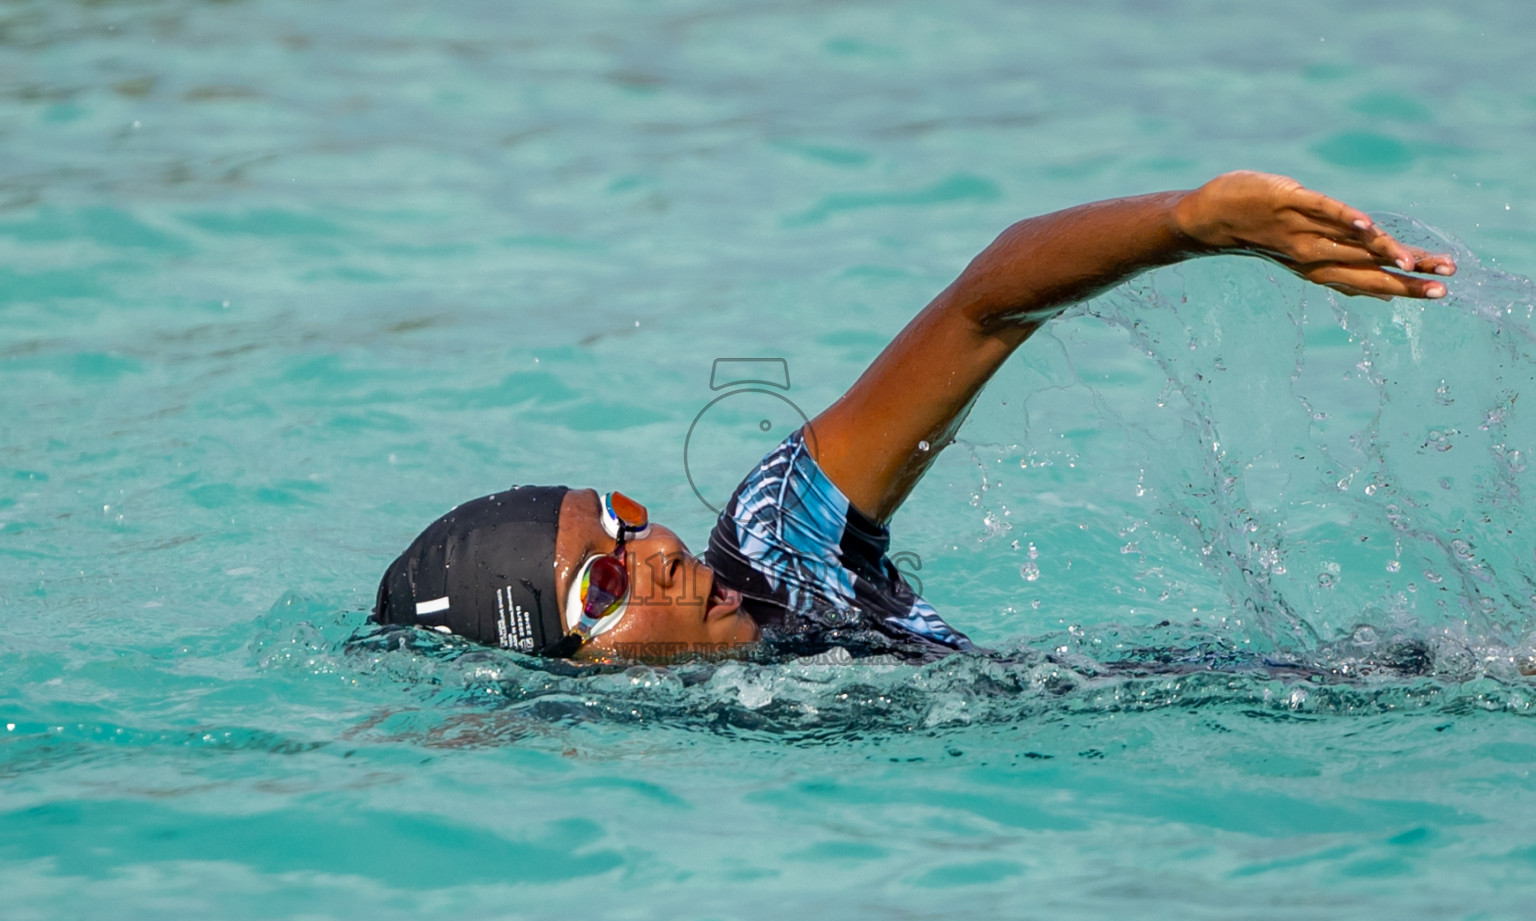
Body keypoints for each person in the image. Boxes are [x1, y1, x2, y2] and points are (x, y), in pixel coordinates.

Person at [373, 171, 1457, 663]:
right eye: (603, 585)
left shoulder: (776, 545)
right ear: (567, 675)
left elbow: (986, 302)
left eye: (620, 518)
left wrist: (1193, 223)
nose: (651, 554)